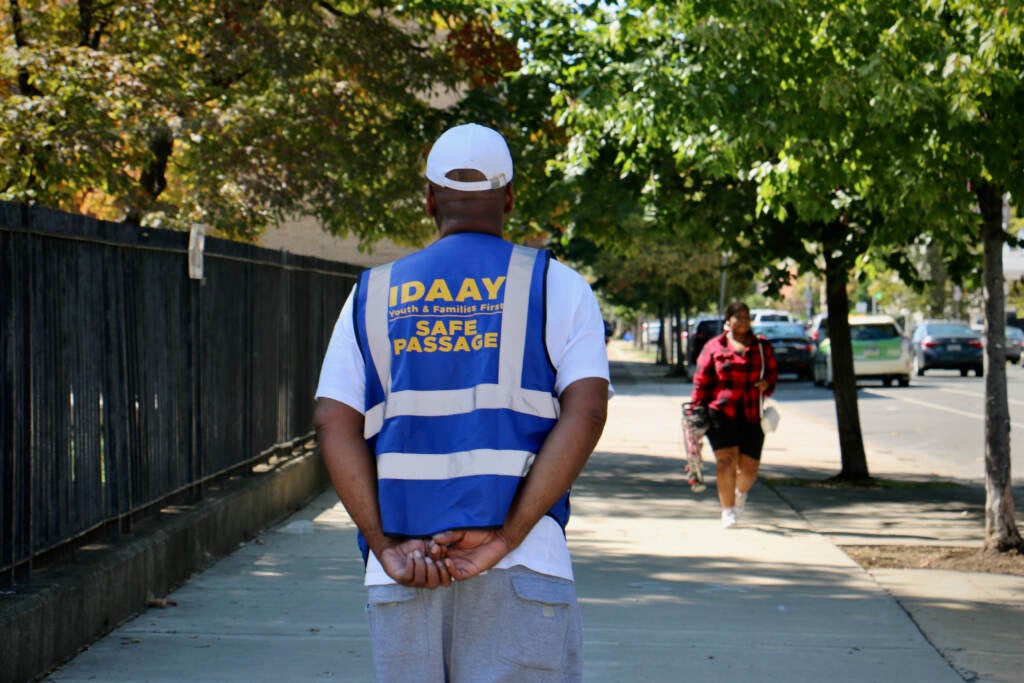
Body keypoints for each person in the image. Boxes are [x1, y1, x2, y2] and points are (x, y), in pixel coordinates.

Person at [312, 122, 611, 682]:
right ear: (510, 198)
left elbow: (333, 422)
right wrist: (505, 537)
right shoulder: (558, 286)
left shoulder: (372, 294)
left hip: (405, 570)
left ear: (428, 199)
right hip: (524, 564)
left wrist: (386, 547)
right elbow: (588, 411)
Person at [690, 301, 778, 528]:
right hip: (721, 413)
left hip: (752, 415)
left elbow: (773, 375)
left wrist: (766, 384)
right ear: (728, 320)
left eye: (746, 316)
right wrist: (696, 409)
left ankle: (740, 492)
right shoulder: (714, 347)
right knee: (725, 462)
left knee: (749, 469)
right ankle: (727, 510)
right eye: (737, 316)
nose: (743, 320)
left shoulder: (762, 346)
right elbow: (701, 381)